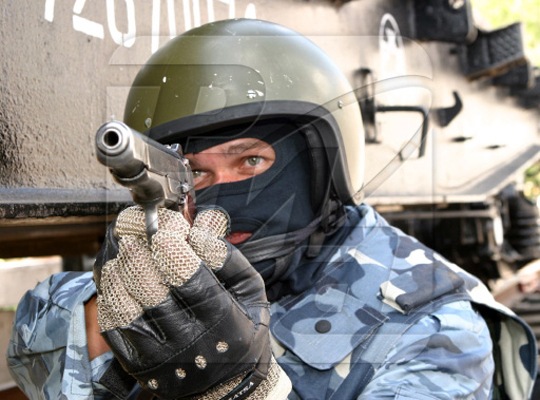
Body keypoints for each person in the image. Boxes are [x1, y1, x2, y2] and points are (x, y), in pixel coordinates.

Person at [6, 18, 538, 399]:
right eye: (195, 174)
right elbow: (32, 345)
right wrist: (113, 305)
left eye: (252, 162)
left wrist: (245, 389)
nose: (221, 201)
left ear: (321, 168)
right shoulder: (176, 265)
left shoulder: (435, 329)